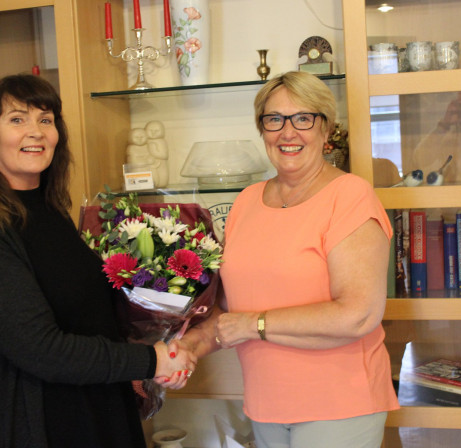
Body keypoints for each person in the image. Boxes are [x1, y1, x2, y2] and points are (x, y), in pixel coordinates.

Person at [166, 71, 399, 448]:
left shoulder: (350, 196)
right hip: (265, 403)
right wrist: (188, 348)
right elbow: (228, 312)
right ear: (262, 129)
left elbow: (358, 314)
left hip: (339, 405)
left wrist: (254, 325)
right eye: (274, 119)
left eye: (303, 118)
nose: (287, 132)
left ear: (326, 129)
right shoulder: (247, 201)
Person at [0, 74, 195, 448]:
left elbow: (87, 314)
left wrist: (143, 354)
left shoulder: (51, 209)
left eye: (45, 119)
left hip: (98, 400)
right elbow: (40, 349)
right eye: (17, 119)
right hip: (49, 420)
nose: (36, 131)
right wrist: (149, 360)